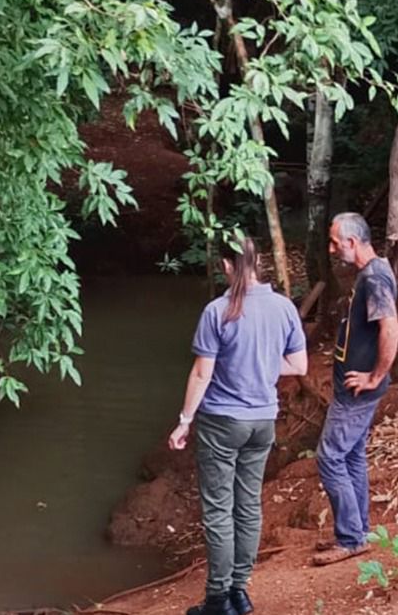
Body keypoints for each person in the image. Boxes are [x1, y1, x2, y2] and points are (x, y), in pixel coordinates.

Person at [169, 236, 308, 615]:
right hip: (263, 420)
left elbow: (202, 373)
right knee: (248, 506)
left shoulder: (218, 311)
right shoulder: (284, 308)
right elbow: (298, 366)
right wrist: (261, 367)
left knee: (218, 509)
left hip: (222, 422)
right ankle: (239, 593)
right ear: (258, 261)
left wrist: (184, 422)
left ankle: (217, 599)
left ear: (228, 266)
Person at [310, 212, 398, 567]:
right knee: (350, 456)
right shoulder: (370, 274)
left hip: (358, 391)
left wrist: (375, 377)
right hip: (353, 388)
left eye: (335, 242)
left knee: (329, 457)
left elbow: (390, 329)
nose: (332, 249)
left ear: (352, 242)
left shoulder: (375, 277)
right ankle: (357, 531)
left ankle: (350, 538)